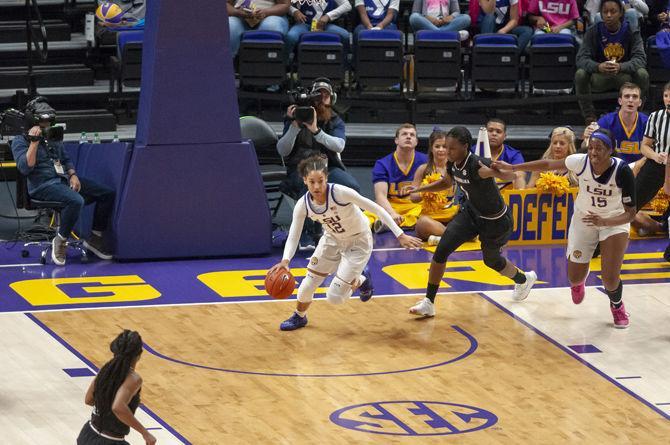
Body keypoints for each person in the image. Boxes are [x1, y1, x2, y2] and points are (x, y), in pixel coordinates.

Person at [494, 128, 636, 328]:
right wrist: (514, 166)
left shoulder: (622, 171)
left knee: (610, 279)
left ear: (610, 150)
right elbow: (547, 163)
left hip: (614, 221)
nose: (594, 153)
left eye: (599, 149)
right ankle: (580, 282)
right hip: (584, 219)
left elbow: (631, 213)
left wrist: (605, 222)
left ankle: (617, 305)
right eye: (591, 148)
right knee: (574, 276)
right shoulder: (580, 161)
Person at [269, 154, 423, 331]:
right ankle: (299, 316)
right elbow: (294, 235)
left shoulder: (340, 193)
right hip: (332, 239)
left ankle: (361, 279)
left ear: (327, 177)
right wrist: (285, 260)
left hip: (358, 241)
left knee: (334, 298)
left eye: (321, 180)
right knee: (307, 284)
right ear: (305, 180)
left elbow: (377, 209)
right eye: (312, 182)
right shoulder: (303, 205)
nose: (317, 186)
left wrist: (400, 234)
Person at [401, 126, 537, 317]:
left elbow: (510, 176)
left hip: (496, 221)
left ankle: (523, 279)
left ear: (465, 147)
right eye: (446, 148)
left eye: (452, 149)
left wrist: (499, 170)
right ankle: (429, 302)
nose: (448, 152)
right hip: (471, 214)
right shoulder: (452, 163)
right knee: (441, 251)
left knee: (492, 261)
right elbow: (447, 183)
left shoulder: (478, 165)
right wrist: (420, 190)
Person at [11, 97, 115, 266]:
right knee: (76, 200)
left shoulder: (53, 136)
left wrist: (73, 175)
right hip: (42, 186)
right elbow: (25, 168)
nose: (46, 124)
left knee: (106, 194)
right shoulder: (19, 141)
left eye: (48, 121)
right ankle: (61, 240)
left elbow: (65, 159)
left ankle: (94, 239)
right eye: (43, 121)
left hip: (62, 180)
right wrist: (34, 142)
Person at [277, 78, 360, 249]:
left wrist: (316, 130)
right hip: (300, 171)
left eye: (326, 95)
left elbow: (339, 145)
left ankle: (346, 229)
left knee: (352, 187)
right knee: (308, 191)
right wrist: (294, 126)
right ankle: (308, 234)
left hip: (327, 169)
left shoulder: (334, 119)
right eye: (318, 95)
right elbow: (282, 150)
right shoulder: (296, 117)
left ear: (332, 99)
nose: (322, 99)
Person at [574, 0, 649, 125]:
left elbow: (640, 59)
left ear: (620, 13)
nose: (608, 15)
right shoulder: (593, 31)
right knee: (580, 74)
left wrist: (621, 67)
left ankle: (634, 114)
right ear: (601, 14)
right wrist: (598, 67)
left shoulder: (631, 31)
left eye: (613, 12)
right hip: (600, 76)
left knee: (642, 74)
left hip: (624, 76)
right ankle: (589, 117)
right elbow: (581, 59)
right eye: (605, 12)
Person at [77, 330, 156, 445]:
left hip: (88, 434)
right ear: (139, 355)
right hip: (110, 441)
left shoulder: (106, 370)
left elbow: (88, 400)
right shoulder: (133, 379)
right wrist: (145, 433)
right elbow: (118, 407)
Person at [367, 123, 427, 232]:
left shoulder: (425, 161)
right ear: (396, 140)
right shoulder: (382, 164)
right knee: (367, 215)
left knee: (424, 213)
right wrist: (392, 213)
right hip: (391, 205)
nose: (408, 136)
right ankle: (393, 222)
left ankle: (386, 224)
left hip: (414, 205)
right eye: (404, 134)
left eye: (412, 135)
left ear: (416, 142)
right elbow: (380, 196)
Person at [406, 129, 459, 244]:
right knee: (422, 223)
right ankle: (456, 237)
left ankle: (442, 238)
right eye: (437, 146)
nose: (441, 150)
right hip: (430, 219)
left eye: (444, 146)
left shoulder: (455, 168)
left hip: (450, 217)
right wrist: (426, 192)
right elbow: (413, 198)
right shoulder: (423, 169)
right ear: (431, 148)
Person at [634, 82, 670, 238]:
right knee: (630, 203)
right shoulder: (656, 117)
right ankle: (601, 241)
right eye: (666, 96)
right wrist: (656, 156)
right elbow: (645, 146)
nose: (668, 99)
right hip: (657, 164)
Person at [472, 118, 527, 189]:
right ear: (483, 134)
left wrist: (492, 173)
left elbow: (519, 175)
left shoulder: (514, 155)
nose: (494, 134)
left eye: (498, 131)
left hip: (505, 197)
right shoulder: (471, 151)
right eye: (490, 130)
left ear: (504, 137)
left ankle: (519, 199)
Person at [286, 0, 351, 56]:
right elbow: (284, 4)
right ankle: (287, 64)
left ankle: (345, 66)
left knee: (345, 35)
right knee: (291, 37)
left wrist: (328, 16)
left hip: (326, 25)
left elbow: (347, 6)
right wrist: (294, 11)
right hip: (304, 24)